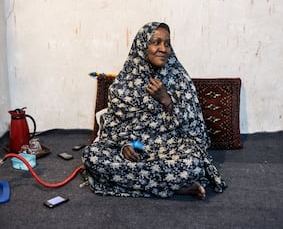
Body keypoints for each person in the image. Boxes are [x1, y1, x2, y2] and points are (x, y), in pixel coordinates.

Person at [82, 22, 227, 199]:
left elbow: (196, 132)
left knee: (194, 165)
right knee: (92, 157)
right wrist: (125, 144)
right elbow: (112, 125)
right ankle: (176, 187)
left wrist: (167, 100)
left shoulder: (179, 79)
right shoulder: (123, 84)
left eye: (167, 43)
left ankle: (141, 183)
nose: (163, 49)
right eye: (156, 42)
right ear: (142, 45)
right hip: (138, 146)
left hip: (170, 147)